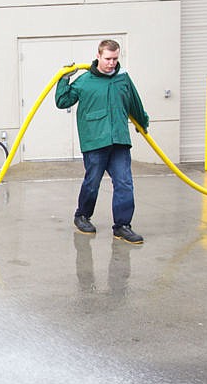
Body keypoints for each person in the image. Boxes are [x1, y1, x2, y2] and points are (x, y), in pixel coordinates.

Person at [55, 39, 149, 244]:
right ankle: (82, 215)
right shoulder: (85, 80)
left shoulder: (123, 78)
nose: (112, 63)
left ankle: (122, 226)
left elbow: (135, 102)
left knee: (124, 183)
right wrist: (63, 79)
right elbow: (62, 102)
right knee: (92, 182)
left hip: (119, 140)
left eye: (115, 58)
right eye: (108, 58)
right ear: (98, 56)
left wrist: (142, 123)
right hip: (95, 140)